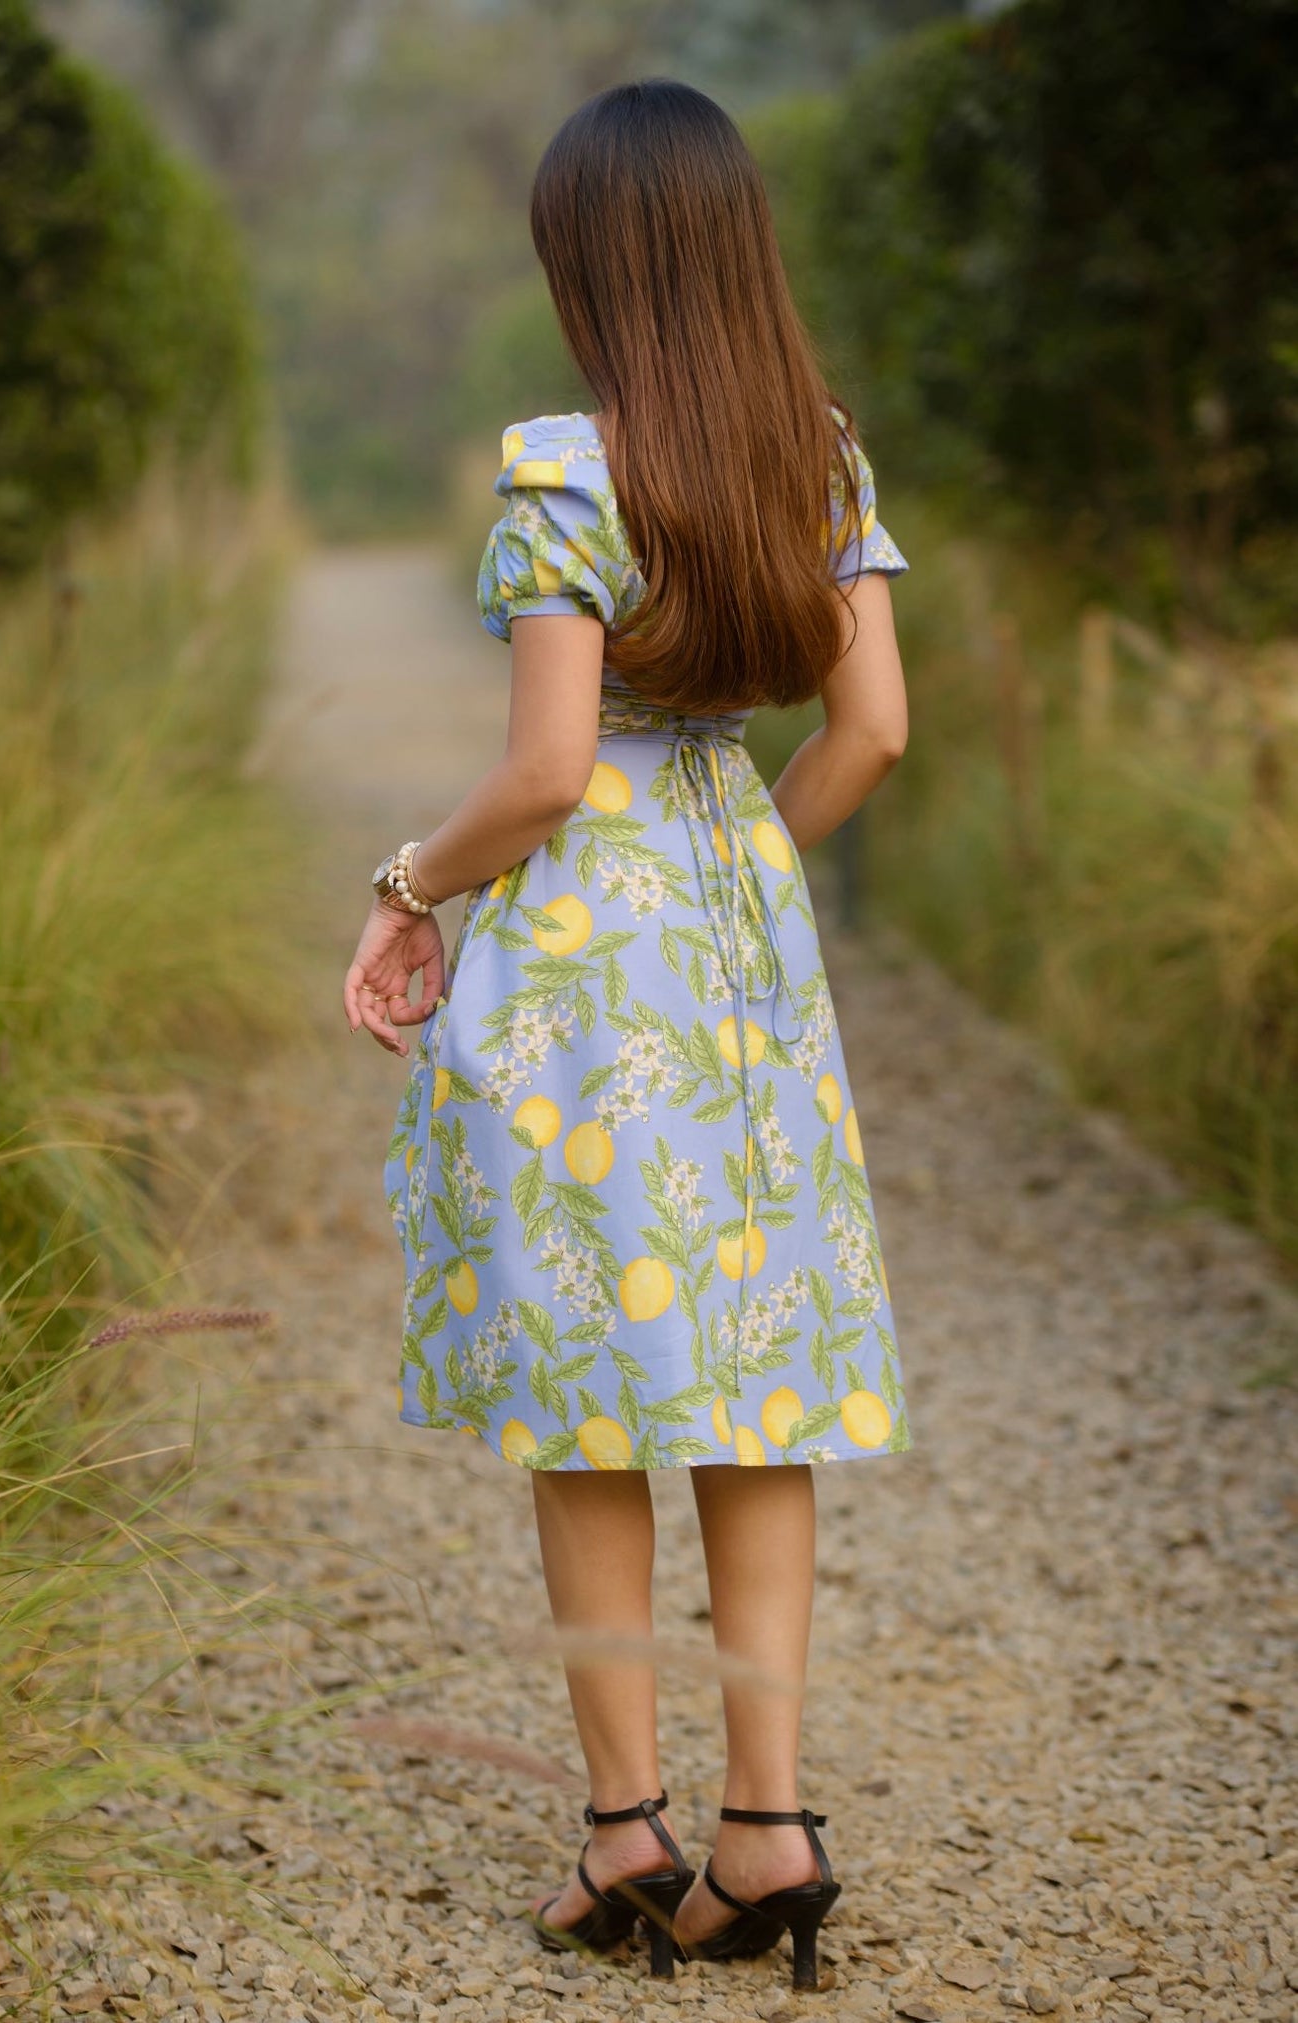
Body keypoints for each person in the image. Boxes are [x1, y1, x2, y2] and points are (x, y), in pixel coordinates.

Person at [343, 77, 914, 1994]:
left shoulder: (564, 468)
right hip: (740, 957)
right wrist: (737, 856)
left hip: (584, 967)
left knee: (587, 1394)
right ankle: (769, 1832)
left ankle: (625, 1839)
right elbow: (871, 734)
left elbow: (541, 772)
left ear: (589, 266)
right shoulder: (817, 461)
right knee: (753, 1374)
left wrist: (407, 889)